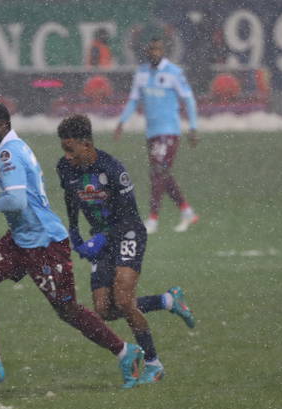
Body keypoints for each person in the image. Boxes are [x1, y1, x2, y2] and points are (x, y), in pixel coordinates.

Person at [0, 103, 145, 388]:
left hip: (44, 243)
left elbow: (18, 202)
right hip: (21, 239)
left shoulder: (8, 153)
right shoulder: (13, 148)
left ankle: (124, 351)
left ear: (1, 126)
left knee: (67, 310)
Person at [56, 115, 198, 385]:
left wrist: (103, 238)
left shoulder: (112, 169)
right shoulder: (65, 168)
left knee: (123, 300)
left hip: (127, 231)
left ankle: (153, 365)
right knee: (104, 309)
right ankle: (167, 301)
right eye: (64, 149)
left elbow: (128, 213)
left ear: (86, 145)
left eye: (70, 149)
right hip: (100, 237)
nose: (67, 156)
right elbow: (70, 198)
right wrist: (74, 234)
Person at [114, 38, 199, 234]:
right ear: (147, 51)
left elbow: (188, 99)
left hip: (169, 131)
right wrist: (121, 122)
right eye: (151, 49)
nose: (154, 52)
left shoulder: (174, 73)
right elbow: (134, 100)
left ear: (164, 51)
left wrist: (193, 127)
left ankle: (153, 219)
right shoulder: (142, 73)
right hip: (152, 132)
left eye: (158, 49)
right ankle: (187, 211)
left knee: (158, 172)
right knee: (161, 173)